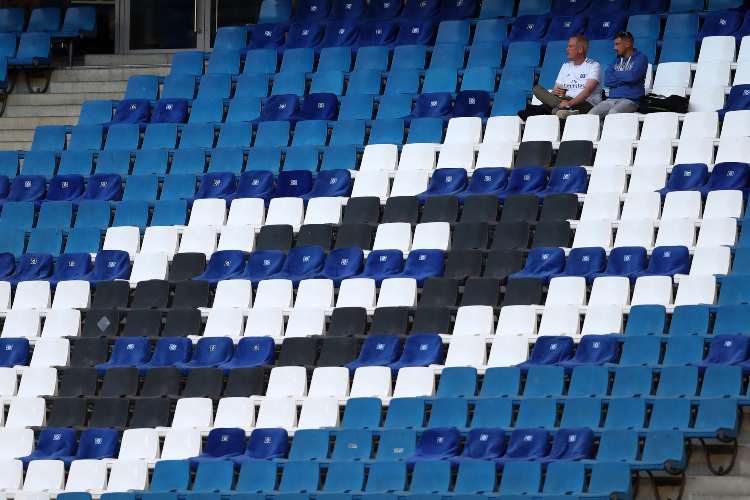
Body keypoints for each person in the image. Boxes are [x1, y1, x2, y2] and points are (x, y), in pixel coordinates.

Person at [518, 35, 602, 121]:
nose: (567, 49)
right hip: (564, 100)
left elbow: (588, 91)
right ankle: (562, 109)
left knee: (553, 109)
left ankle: (542, 109)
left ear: (580, 50)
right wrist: (555, 93)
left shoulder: (593, 65)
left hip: (585, 103)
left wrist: (569, 103)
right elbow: (557, 90)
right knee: (536, 89)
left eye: (570, 46)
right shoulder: (565, 66)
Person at [588, 31, 648, 116]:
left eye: (617, 44)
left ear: (628, 44)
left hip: (631, 100)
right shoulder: (616, 60)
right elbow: (607, 80)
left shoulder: (641, 58)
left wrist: (616, 75)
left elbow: (632, 77)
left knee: (613, 114)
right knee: (591, 115)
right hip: (611, 100)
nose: (614, 48)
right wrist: (625, 77)